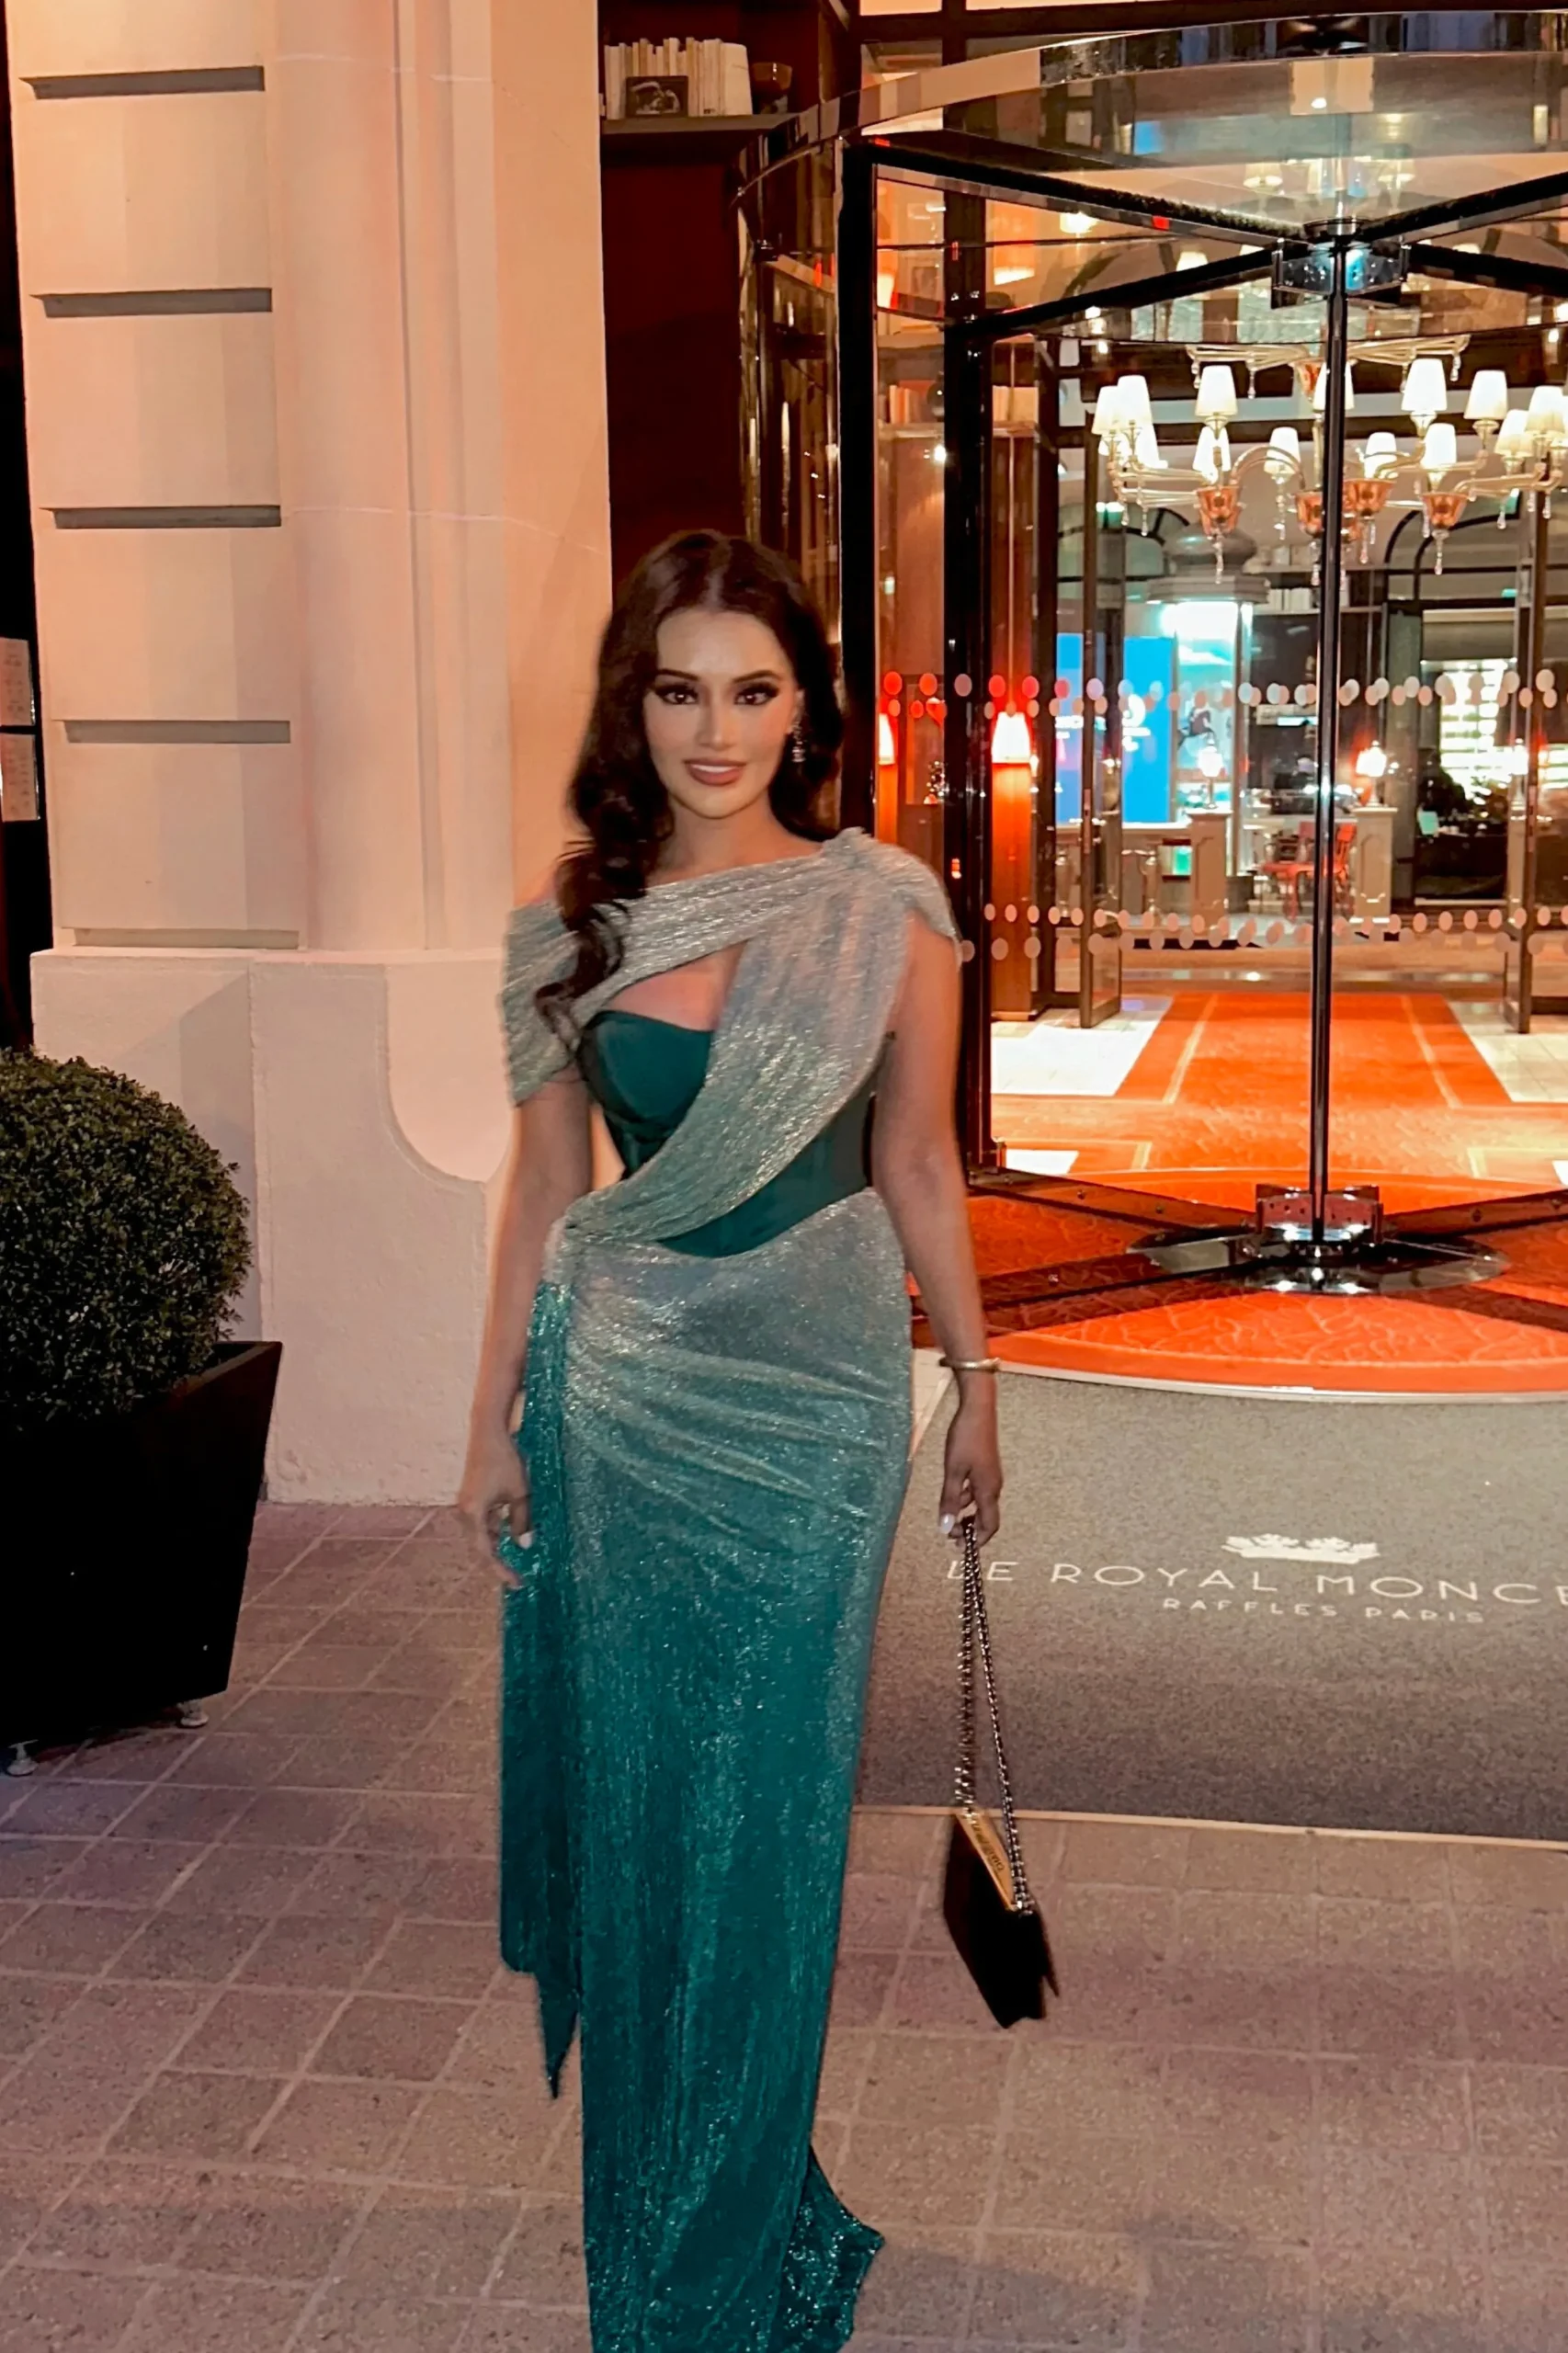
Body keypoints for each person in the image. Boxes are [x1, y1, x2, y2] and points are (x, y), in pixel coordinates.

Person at [458, 529, 1002, 2352]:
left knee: (764, 1829)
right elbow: (541, 1194)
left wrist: (977, 1377)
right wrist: (492, 1422)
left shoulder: (887, 907)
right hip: (620, 1396)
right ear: (633, 706)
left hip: (820, 1399)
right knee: (643, 1817)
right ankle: (675, 2225)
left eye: (751, 690)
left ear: (803, 710)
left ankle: (728, 2224)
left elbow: (917, 1159)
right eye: (679, 689)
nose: (715, 729)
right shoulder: (566, 931)